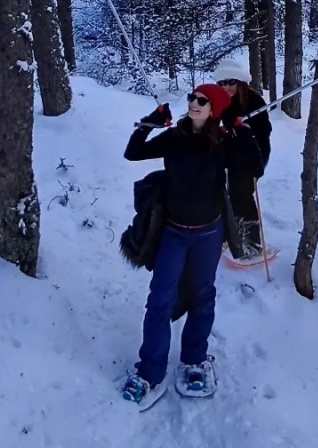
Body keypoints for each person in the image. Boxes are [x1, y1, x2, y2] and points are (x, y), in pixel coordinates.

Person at [121, 84, 265, 407]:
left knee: (203, 296)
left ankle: (193, 360)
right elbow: (133, 153)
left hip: (208, 234)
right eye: (192, 98)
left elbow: (255, 167)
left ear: (213, 108)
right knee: (160, 298)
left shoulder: (223, 141)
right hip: (173, 232)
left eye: (201, 100)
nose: (193, 103)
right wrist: (148, 124)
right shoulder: (175, 137)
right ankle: (149, 372)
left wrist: (241, 131)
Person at [212, 58, 272, 257]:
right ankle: (230, 233)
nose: (227, 87)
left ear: (240, 82)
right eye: (223, 83)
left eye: (231, 82)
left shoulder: (254, 101)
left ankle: (252, 241)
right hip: (226, 155)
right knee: (223, 194)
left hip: (251, 155)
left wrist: (244, 129)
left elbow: (265, 130)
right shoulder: (217, 101)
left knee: (241, 193)